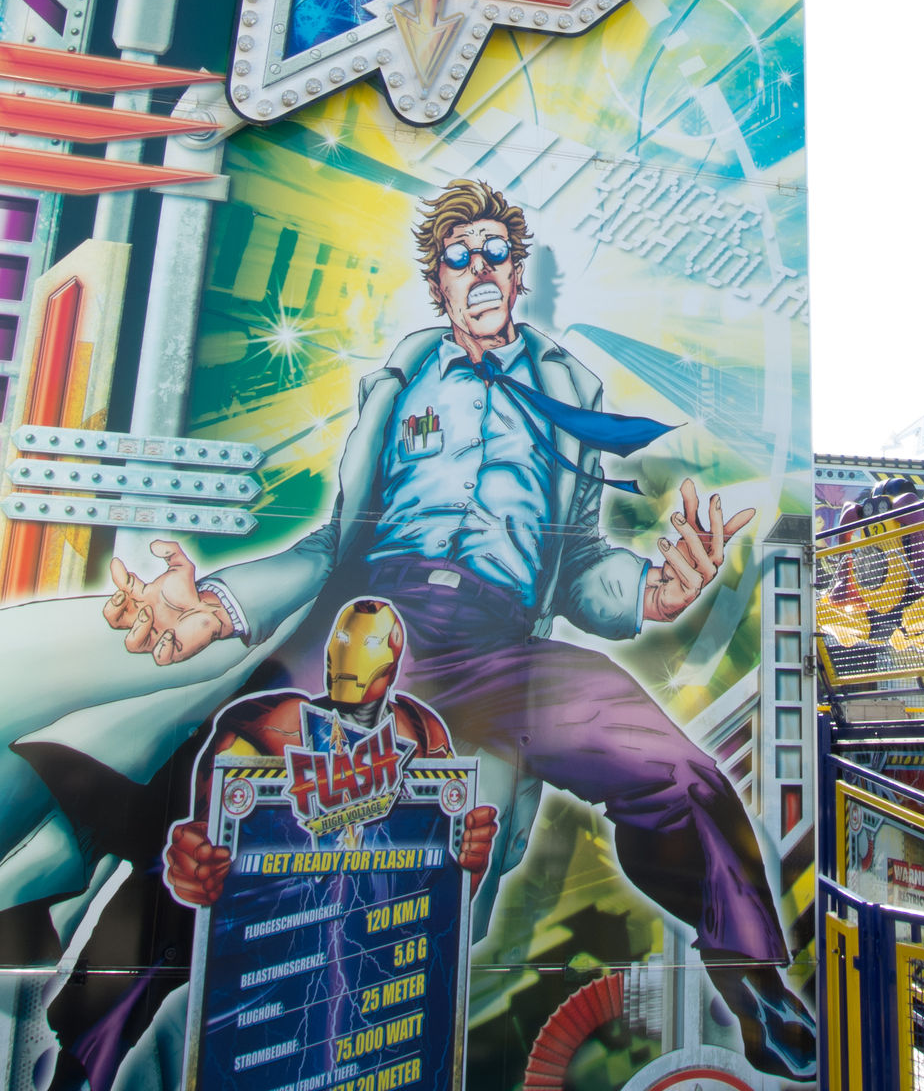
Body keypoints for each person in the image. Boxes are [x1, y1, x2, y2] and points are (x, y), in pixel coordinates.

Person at [104, 178, 814, 1080]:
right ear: (438, 281)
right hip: (372, 620)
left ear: (518, 274)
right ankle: (92, 1034)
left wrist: (654, 593)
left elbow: (582, 564)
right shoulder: (404, 378)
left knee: (675, 770)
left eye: (495, 254)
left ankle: (756, 989)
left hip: (499, 645)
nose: (479, 268)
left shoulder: (569, 390)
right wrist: (220, 603)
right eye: (459, 256)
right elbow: (331, 540)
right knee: (206, 792)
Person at [164, 596, 496, 906]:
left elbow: (444, 883)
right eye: (344, 639)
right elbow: (210, 833)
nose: (351, 653)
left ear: (393, 658)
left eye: (369, 642)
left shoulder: (422, 730)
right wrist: (197, 860)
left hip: (380, 922)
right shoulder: (272, 725)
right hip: (290, 916)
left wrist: (468, 863)